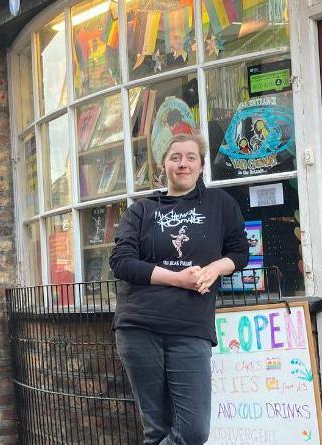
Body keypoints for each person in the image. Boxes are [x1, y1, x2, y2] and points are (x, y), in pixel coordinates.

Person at [109, 133, 249, 445]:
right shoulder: (142, 210)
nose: (182, 164)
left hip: (191, 327)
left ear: (201, 165)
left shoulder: (220, 205)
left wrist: (214, 268)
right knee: (157, 430)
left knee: (193, 431)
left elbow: (239, 253)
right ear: (165, 165)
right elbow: (121, 262)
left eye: (190, 157)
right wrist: (178, 279)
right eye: (175, 157)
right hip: (139, 326)